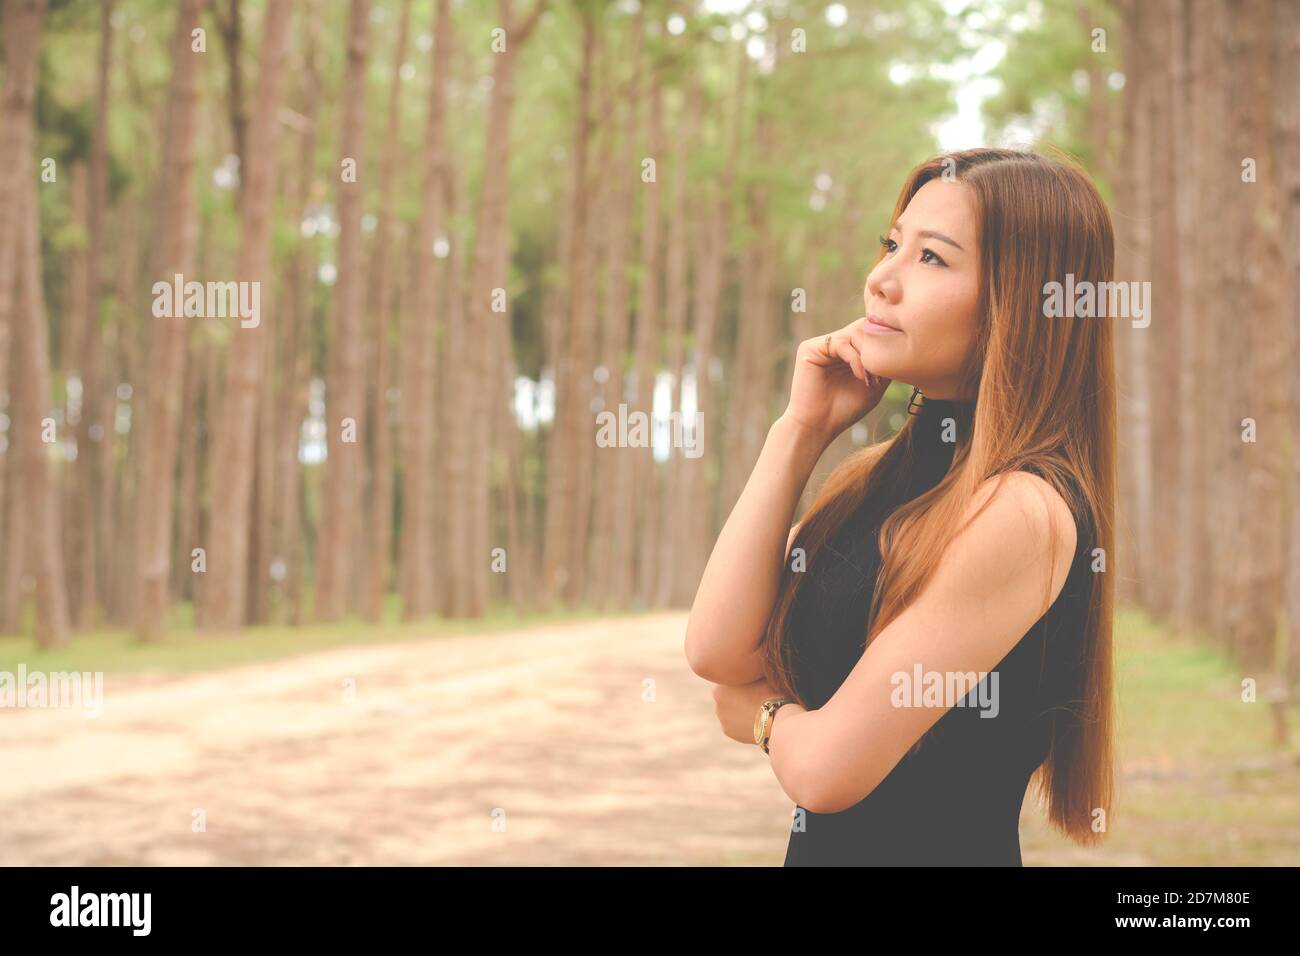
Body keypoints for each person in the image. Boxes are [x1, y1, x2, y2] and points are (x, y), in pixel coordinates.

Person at [684, 147, 1116, 866]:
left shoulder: (1023, 509)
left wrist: (764, 718)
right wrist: (799, 433)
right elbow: (717, 650)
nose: (881, 280)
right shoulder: (871, 475)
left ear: (1023, 301)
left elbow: (825, 773)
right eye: (892, 246)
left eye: (933, 260)